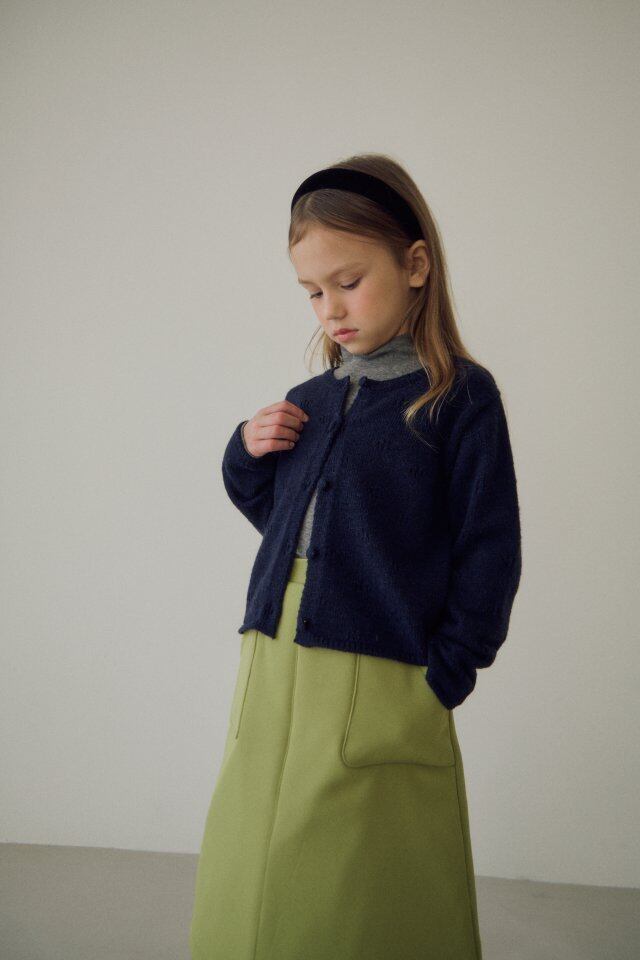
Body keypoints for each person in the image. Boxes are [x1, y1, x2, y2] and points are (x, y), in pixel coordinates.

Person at [189, 154, 522, 960]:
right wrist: (245, 453)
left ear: (415, 265)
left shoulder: (458, 398)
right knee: (256, 837)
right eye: (312, 291)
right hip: (274, 655)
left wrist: (452, 666)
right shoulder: (310, 400)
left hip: (381, 665)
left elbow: (490, 545)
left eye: (348, 281)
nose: (329, 308)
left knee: (359, 858)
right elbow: (289, 523)